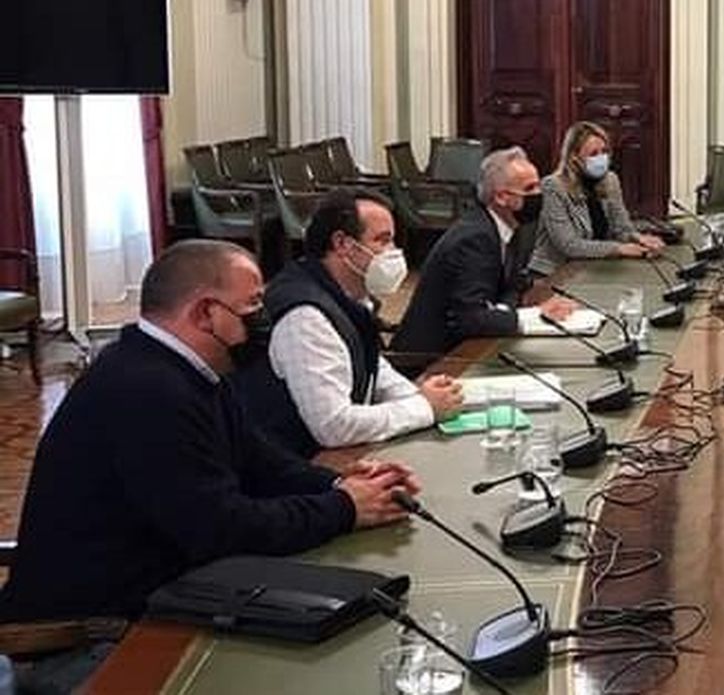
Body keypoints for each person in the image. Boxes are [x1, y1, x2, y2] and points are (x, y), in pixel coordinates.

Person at [0, 240, 418, 624]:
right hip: (92, 633)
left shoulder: (189, 369)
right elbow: (221, 529)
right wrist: (343, 508)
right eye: (252, 304)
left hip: (161, 595)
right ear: (205, 313)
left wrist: (340, 483)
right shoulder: (147, 390)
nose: (263, 317)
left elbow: (260, 461)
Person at [233, 190, 464, 457]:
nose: (393, 253)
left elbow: (372, 365)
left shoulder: (348, 298)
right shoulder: (305, 317)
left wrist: (417, 396)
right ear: (343, 243)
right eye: (382, 241)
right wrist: (423, 408)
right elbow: (334, 426)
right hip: (305, 464)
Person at [391, 146, 572, 365]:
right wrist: (536, 315)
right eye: (530, 188)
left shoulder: (509, 226)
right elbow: (469, 318)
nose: (539, 194)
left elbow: (513, 287)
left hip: (468, 346)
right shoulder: (475, 238)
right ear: (502, 197)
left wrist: (501, 311)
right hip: (431, 361)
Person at [528, 121, 665, 276]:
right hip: (554, 273)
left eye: (604, 151)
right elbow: (569, 245)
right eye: (593, 154)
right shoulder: (553, 186)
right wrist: (619, 249)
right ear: (574, 157)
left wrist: (640, 240)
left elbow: (621, 228)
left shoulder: (610, 180)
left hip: (593, 268)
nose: (601, 158)